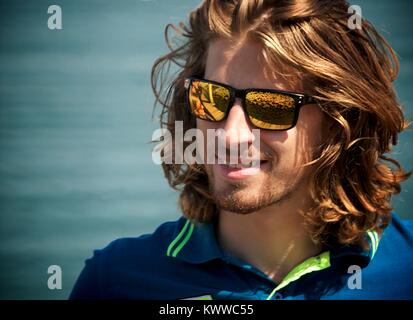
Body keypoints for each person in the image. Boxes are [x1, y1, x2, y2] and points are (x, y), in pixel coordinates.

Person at [70, 0, 413, 300]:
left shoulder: (405, 270)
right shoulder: (116, 281)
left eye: (270, 106)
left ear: (339, 120)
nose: (231, 136)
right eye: (212, 97)